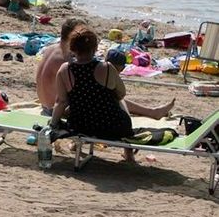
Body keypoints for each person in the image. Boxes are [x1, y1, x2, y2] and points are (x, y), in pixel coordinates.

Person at [36, 18, 173, 119]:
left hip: (45, 105)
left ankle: (152, 111)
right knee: (107, 95)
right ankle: (151, 112)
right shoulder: (65, 60)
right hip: (56, 111)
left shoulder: (50, 50)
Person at [49, 28, 135, 160]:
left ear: (73, 48)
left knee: (78, 103)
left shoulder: (65, 70)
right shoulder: (107, 68)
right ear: (95, 48)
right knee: (119, 101)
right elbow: (121, 93)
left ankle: (76, 144)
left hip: (80, 126)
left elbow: (61, 102)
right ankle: (128, 153)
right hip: (113, 126)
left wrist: (53, 125)